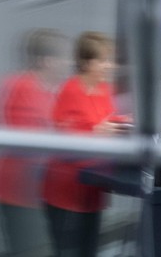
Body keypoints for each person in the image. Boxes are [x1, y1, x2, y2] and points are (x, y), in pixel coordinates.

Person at [42, 31, 128, 257]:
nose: (110, 66)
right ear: (86, 62)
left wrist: (123, 126)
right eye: (103, 60)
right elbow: (63, 142)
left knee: (88, 250)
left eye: (111, 60)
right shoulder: (70, 91)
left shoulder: (104, 91)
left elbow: (105, 123)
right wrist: (97, 134)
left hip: (92, 189)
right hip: (66, 190)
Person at [0, 28, 72, 256]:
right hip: (18, 191)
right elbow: (29, 142)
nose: (68, 63)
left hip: (40, 191)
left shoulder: (52, 91)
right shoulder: (20, 87)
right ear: (46, 60)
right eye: (64, 57)